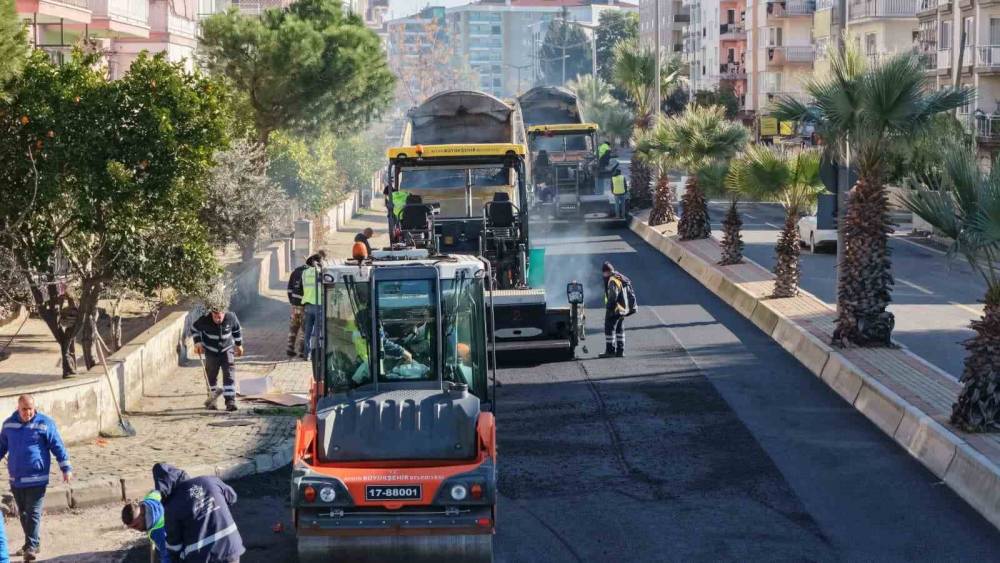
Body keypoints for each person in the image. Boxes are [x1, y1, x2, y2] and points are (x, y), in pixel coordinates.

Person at [0, 394, 72, 562]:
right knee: (23, 513)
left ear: (34, 408)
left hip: (37, 477)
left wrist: (66, 467)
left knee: (33, 512)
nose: (28, 412)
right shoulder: (9, 425)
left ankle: (31, 547)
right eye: (24, 409)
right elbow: (1, 447)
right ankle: (32, 543)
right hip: (16, 478)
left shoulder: (45, 424)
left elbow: (57, 445)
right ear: (18, 408)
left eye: (30, 409)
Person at [153, 463, 245, 563]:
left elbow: (174, 545)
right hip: (231, 547)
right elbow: (232, 497)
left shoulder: (171, 505)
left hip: (202, 557)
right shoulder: (210, 480)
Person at [192, 306, 244, 412]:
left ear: (224, 313)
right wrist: (197, 342)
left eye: (220, 316)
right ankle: (212, 401)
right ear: (211, 313)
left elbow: (237, 330)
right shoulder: (204, 319)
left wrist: (239, 345)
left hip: (227, 350)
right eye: (215, 316)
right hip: (211, 351)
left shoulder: (231, 317)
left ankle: (230, 401)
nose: (218, 319)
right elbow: (194, 329)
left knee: (229, 374)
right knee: (211, 375)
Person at [286, 251, 326, 358]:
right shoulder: (316, 272)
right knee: (306, 330)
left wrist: (292, 302)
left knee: (294, 327)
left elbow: (290, 289)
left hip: (297, 305)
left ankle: (290, 348)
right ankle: (302, 351)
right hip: (309, 305)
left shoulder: (297, 272)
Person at [122, 491, 169, 563]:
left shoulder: (158, 534)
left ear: (142, 513)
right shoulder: (151, 497)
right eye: (132, 527)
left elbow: (167, 556)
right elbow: (155, 491)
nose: (136, 529)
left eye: (136, 525)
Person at [301, 251, 326, 361]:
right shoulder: (320, 272)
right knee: (318, 332)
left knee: (307, 331)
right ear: (319, 262)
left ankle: (307, 354)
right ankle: (317, 354)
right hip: (318, 305)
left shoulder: (304, 273)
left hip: (308, 305)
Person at [600, 262, 628, 358]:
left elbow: (613, 295)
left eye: (604, 272)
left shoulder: (612, 280)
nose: (603, 275)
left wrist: (609, 307)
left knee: (609, 329)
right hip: (621, 309)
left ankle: (610, 351)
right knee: (620, 329)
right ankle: (620, 351)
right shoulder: (618, 278)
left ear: (607, 272)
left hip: (614, 309)